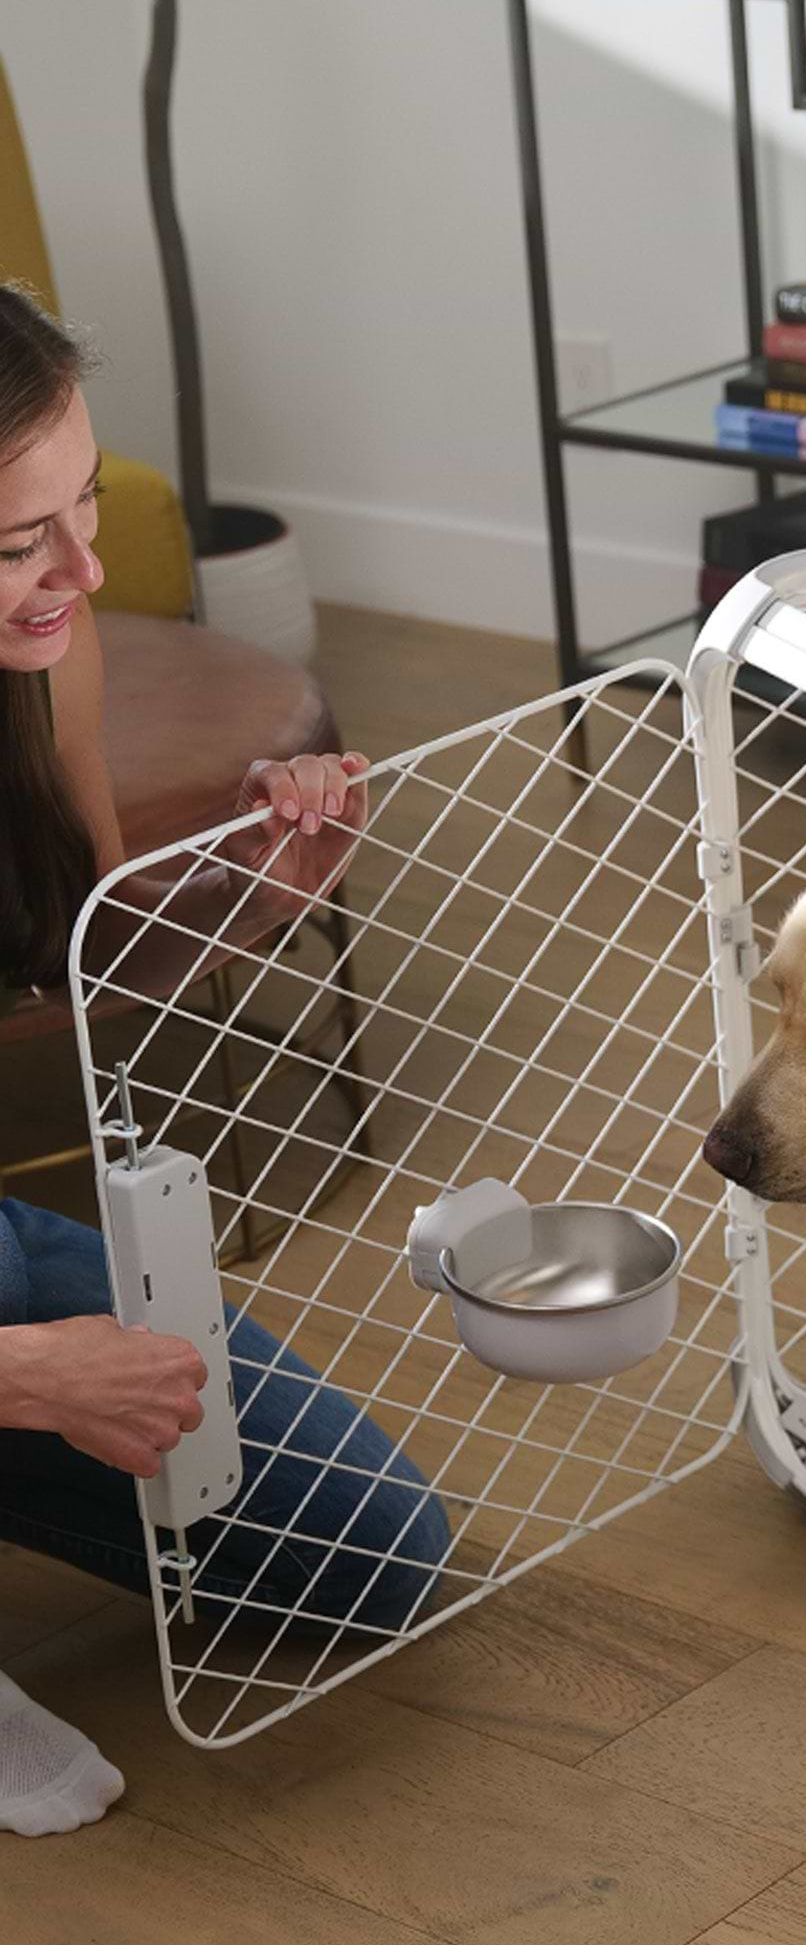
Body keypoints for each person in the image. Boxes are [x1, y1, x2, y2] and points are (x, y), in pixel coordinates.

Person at [0, 283, 449, 1836]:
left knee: (376, 1550)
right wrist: (28, 1375)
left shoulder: (41, 665)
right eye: (19, 542)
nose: (84, 571)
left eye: (78, 505)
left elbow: (83, 959)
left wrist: (265, 884)